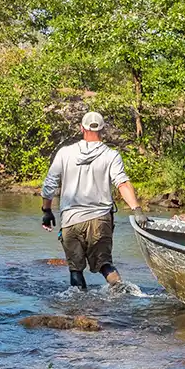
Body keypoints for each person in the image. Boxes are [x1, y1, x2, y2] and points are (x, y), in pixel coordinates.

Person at [41, 111, 144, 290]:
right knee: (105, 264)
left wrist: (46, 211)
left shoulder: (65, 153)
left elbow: (50, 183)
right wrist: (137, 210)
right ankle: (123, 294)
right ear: (103, 129)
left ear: (81, 128)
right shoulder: (111, 155)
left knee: (75, 269)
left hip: (71, 220)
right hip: (100, 220)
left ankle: (78, 303)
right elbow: (122, 184)